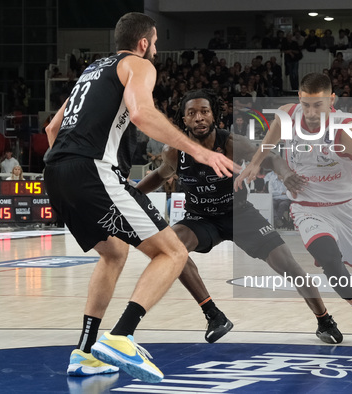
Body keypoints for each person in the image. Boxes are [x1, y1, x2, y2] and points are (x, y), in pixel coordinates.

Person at [43, 13, 234, 382]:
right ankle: (122, 336)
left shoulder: (90, 72)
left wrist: (68, 175)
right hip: (93, 170)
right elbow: (143, 114)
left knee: (114, 252)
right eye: (156, 42)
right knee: (173, 251)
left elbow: (53, 127)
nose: (157, 49)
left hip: (56, 170)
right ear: (144, 42)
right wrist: (199, 152)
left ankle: (84, 352)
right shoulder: (138, 65)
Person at [138, 89, 343, 345]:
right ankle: (214, 315)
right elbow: (160, 175)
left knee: (288, 265)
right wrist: (132, 193)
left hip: (239, 214)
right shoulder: (173, 152)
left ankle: (324, 320)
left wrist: (285, 174)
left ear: (215, 116)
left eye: (204, 111)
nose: (199, 118)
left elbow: (272, 158)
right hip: (200, 219)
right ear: (184, 120)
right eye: (192, 114)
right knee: (171, 248)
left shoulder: (234, 144)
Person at [237, 73, 352, 346]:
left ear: (331, 100)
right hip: (307, 207)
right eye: (307, 104)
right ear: (300, 97)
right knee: (329, 259)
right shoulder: (287, 116)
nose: (311, 113)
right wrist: (255, 162)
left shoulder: (345, 132)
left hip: (346, 207)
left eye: (318, 105)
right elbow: (269, 140)